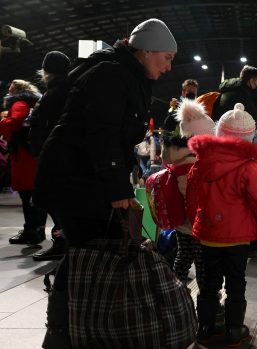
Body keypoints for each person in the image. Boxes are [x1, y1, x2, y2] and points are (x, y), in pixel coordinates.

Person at [32, 19, 185, 347]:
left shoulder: (129, 75)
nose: (170, 66)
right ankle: (67, 332)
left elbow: (115, 137)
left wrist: (126, 176)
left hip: (85, 178)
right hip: (73, 180)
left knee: (88, 252)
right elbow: (101, 134)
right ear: (145, 51)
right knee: (90, 251)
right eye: (167, 57)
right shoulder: (112, 75)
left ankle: (76, 328)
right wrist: (118, 189)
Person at [186, 102, 257, 347]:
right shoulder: (250, 168)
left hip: (208, 234)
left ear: (220, 133)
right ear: (249, 138)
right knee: (236, 282)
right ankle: (233, 330)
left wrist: (197, 222)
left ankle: (206, 327)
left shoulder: (201, 162)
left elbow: (192, 198)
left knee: (208, 282)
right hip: (238, 238)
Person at [163, 98, 216, 286]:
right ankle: (207, 299)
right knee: (202, 262)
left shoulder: (178, 157)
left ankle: (176, 290)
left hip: (180, 222)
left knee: (183, 256)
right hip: (196, 222)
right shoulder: (192, 164)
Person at [29, 51, 71, 261]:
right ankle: (63, 243)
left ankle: (62, 244)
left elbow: (43, 126)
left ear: (46, 72)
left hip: (53, 157)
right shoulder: (69, 89)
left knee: (54, 203)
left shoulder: (54, 93)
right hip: (62, 156)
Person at [0, 79, 44, 245]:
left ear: (17, 89)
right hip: (30, 154)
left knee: (27, 195)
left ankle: (30, 231)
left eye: (10, 86)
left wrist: (2, 123)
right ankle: (36, 230)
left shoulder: (18, 103)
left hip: (23, 157)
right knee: (33, 195)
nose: (8, 88)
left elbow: (15, 121)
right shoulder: (31, 102)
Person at [212, 65, 257, 130]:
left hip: (219, 133)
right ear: (251, 80)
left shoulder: (228, 90)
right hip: (234, 136)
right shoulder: (243, 96)